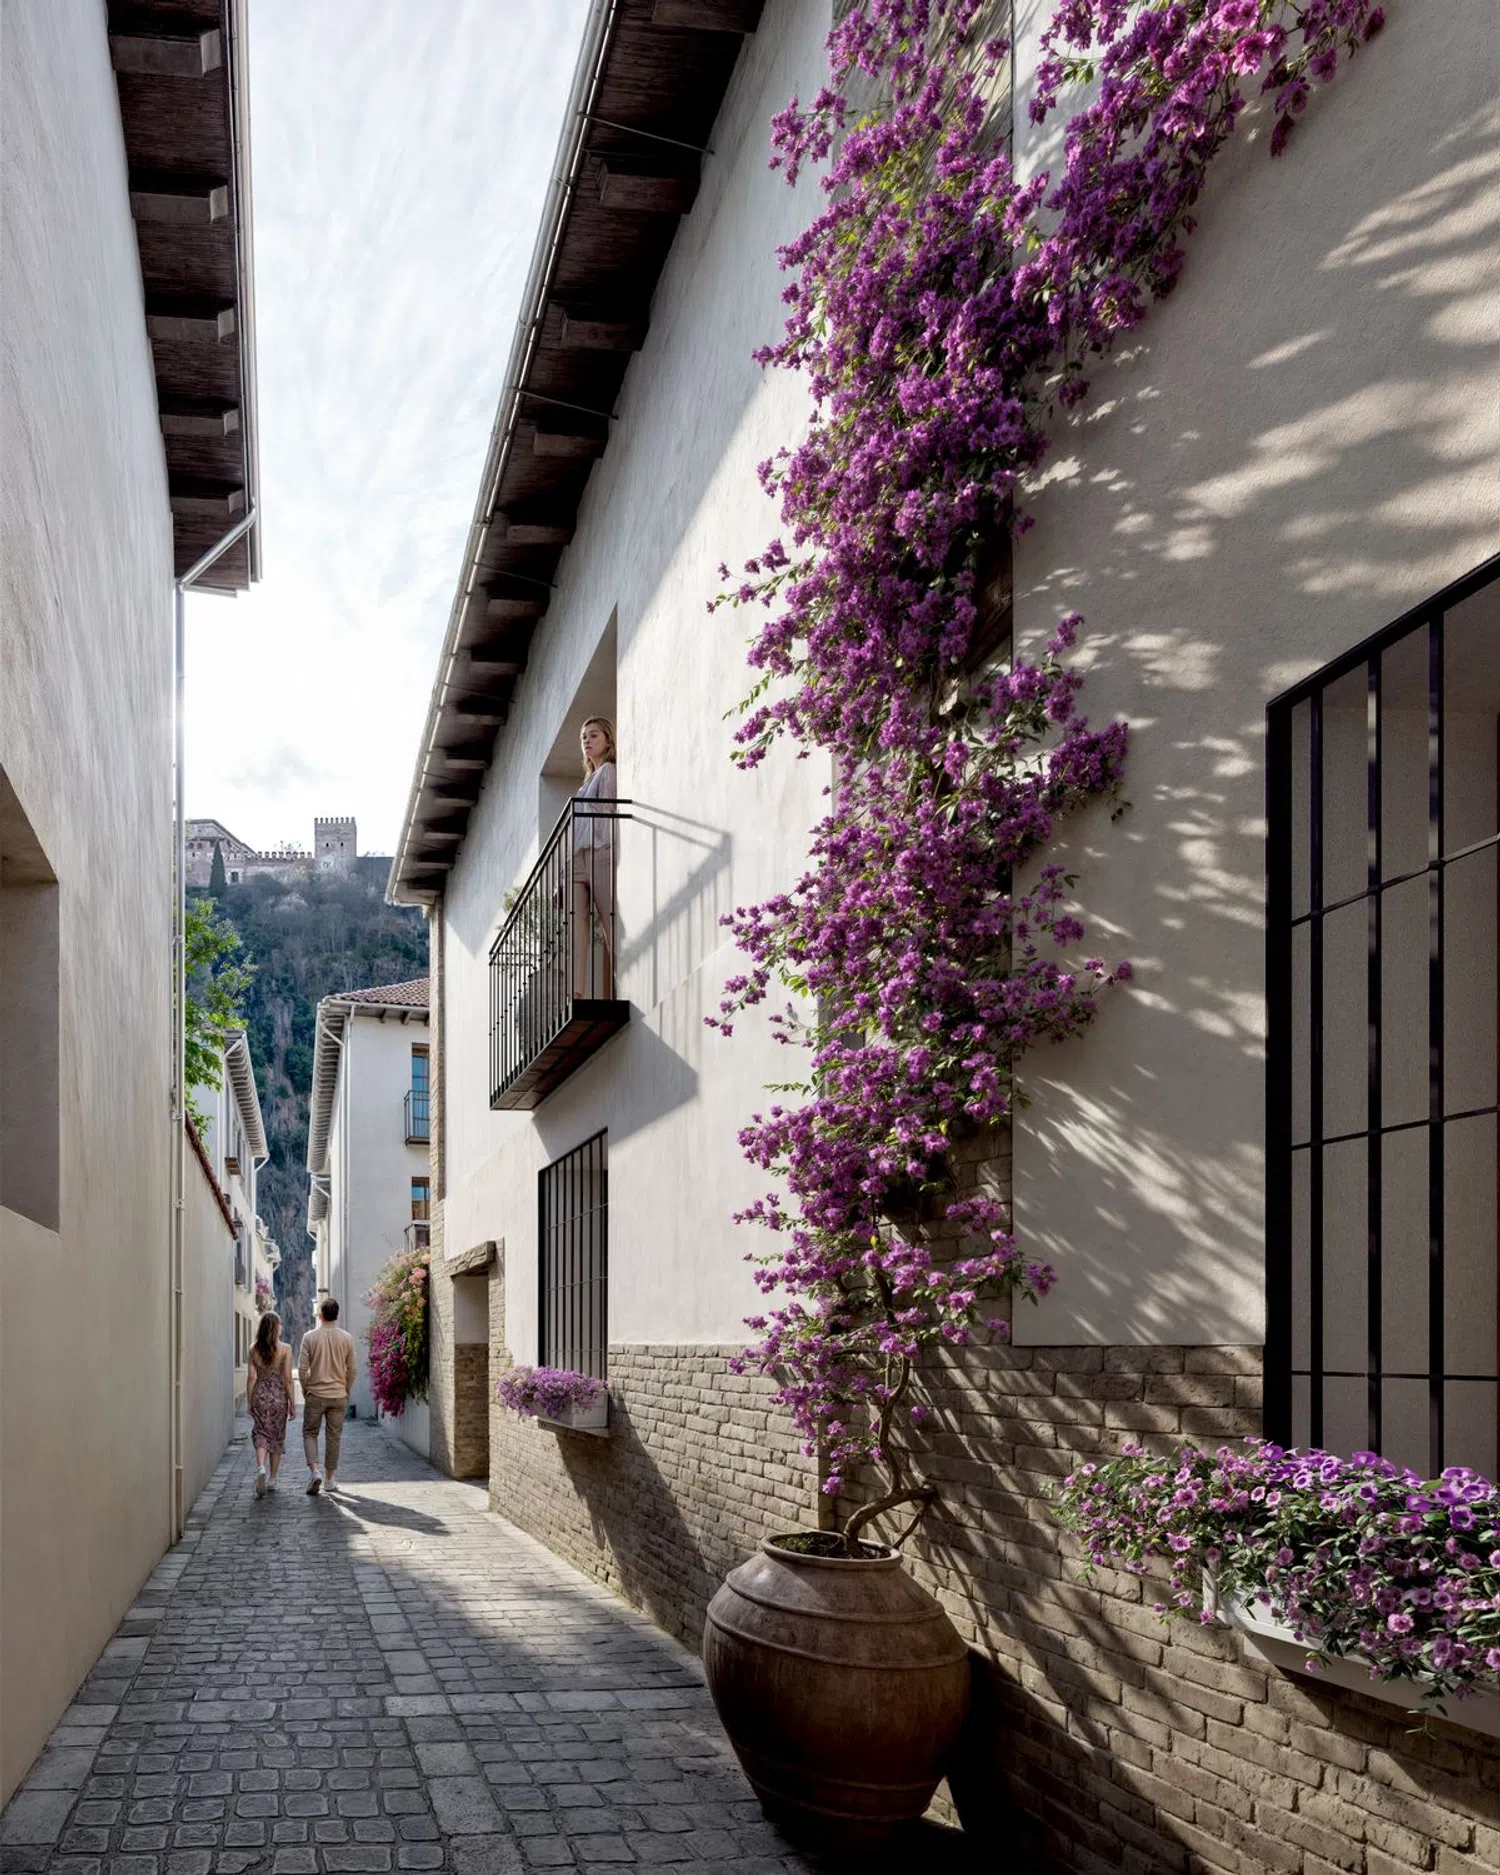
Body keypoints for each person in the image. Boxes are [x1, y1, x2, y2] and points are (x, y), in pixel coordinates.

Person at [571, 716, 617, 997]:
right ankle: (575, 993)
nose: (587, 741)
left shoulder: (608, 771)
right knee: (576, 924)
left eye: (593, 735)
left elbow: (607, 813)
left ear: (608, 740)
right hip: (578, 856)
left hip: (599, 850)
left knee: (609, 920)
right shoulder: (587, 781)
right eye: (583, 737)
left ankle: (621, 981)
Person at [298, 1296, 356, 1495]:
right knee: (334, 1437)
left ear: (320, 1314)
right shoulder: (347, 1338)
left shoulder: (309, 1337)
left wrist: (305, 1389)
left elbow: (302, 1369)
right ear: (336, 1315)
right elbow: (352, 1369)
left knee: (310, 1433)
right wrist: (346, 1389)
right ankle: (330, 1479)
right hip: (338, 1394)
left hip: (315, 1393)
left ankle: (315, 1472)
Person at [248, 1310, 295, 1498]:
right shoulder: (285, 1349)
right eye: (280, 1324)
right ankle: (273, 1479)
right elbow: (288, 1378)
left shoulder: (253, 1349)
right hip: (278, 1397)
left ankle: (261, 1467)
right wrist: (292, 1402)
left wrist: (250, 1401)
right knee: (276, 1436)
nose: (282, 1327)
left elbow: (251, 1377)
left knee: (261, 1432)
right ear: (276, 1328)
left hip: (260, 1395)